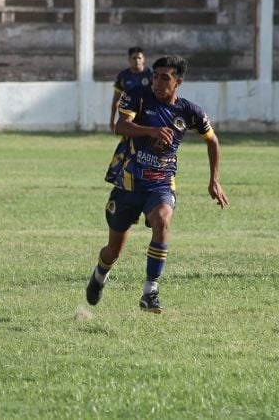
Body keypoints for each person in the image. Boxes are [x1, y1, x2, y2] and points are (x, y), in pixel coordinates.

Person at [85, 55, 228, 314]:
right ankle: (99, 275)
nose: (158, 83)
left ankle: (150, 291)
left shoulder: (188, 111)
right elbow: (120, 126)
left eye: (165, 78)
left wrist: (214, 181)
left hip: (161, 184)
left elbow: (212, 141)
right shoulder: (137, 96)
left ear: (178, 83)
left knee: (162, 220)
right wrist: (151, 131)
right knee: (113, 250)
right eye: (155, 76)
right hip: (128, 184)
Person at [109, 46, 153, 131]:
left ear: (143, 59)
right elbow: (116, 100)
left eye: (139, 58)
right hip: (128, 114)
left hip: (148, 114)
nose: (137, 60)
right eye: (134, 58)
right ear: (129, 59)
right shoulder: (123, 76)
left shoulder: (151, 75)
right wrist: (112, 120)